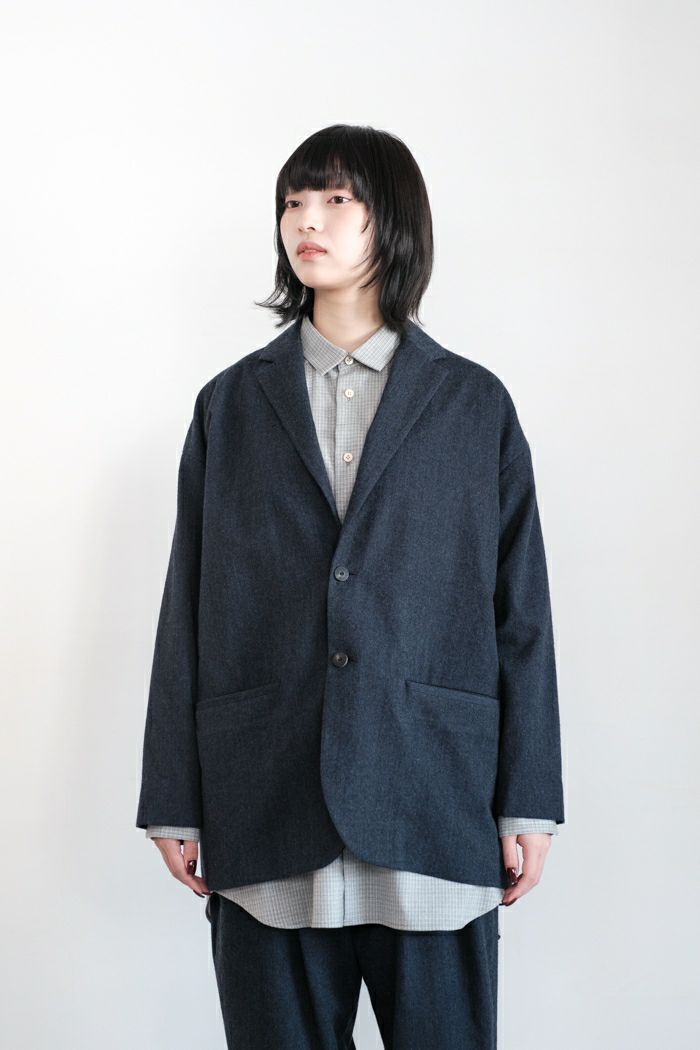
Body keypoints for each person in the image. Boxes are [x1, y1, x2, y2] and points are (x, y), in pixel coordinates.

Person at [136, 123, 565, 1049]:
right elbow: (188, 606)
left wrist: (527, 797)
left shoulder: (474, 405)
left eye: (336, 200)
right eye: (293, 201)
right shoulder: (230, 406)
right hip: (267, 802)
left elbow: (520, 612)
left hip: (432, 803)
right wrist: (172, 793)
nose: (307, 221)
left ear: (393, 220)